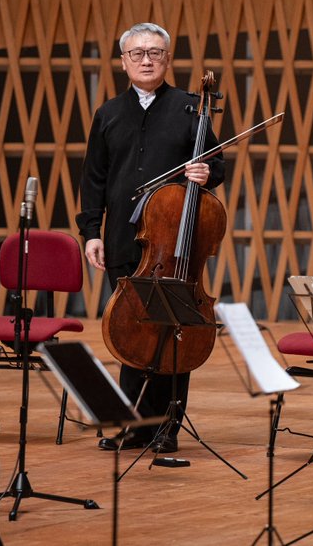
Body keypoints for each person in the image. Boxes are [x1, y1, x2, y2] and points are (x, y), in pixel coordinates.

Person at [76, 23, 224, 453]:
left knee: (173, 331)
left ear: (167, 60)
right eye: (137, 53)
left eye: (155, 53)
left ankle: (166, 428)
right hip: (124, 240)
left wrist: (206, 172)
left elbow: (217, 165)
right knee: (131, 330)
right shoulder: (108, 113)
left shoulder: (190, 108)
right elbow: (94, 179)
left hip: (175, 244)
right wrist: (91, 232)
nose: (146, 60)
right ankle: (132, 424)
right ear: (123, 61)